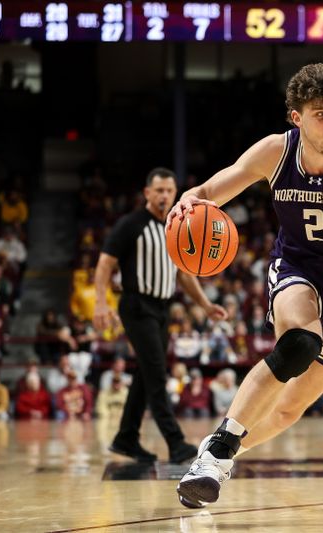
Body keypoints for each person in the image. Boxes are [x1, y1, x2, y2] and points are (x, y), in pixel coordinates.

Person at [170, 63, 323, 509]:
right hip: (296, 267)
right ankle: (216, 456)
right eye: (321, 113)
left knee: (289, 410)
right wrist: (188, 198)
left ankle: (216, 453)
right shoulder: (276, 151)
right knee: (298, 345)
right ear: (296, 117)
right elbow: (212, 189)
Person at [93, 168, 228, 464]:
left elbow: (184, 273)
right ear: (147, 193)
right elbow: (104, 264)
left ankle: (126, 438)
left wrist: (205, 305)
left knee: (145, 373)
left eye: (170, 190)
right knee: (156, 373)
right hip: (137, 306)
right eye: (160, 190)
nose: (165, 195)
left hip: (163, 309)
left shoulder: (175, 226)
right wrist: (100, 303)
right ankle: (176, 442)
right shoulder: (131, 224)